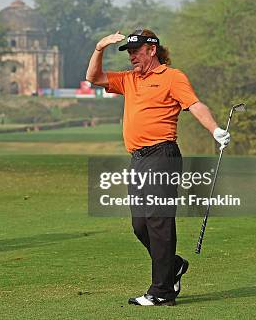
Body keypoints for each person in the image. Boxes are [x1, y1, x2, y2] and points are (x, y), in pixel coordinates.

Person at [86, 29, 230, 306]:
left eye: (136, 51)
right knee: (140, 224)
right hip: (138, 159)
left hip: (162, 155)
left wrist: (215, 130)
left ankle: (161, 291)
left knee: (159, 222)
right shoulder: (128, 80)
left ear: (152, 50)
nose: (132, 57)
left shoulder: (173, 77)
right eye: (129, 52)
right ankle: (172, 265)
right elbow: (93, 77)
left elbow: (195, 104)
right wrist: (99, 47)